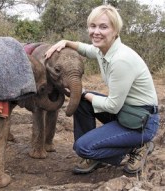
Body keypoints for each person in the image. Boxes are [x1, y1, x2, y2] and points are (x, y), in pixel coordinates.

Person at [45, 4, 159, 174]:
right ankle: (93, 154)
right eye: (93, 26)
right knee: (83, 102)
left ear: (115, 31)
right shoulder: (103, 50)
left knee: (82, 147)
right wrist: (65, 42)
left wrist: (87, 94)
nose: (96, 31)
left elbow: (113, 106)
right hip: (126, 112)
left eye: (103, 27)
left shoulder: (121, 60)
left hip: (140, 122)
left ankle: (137, 147)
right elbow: (85, 48)